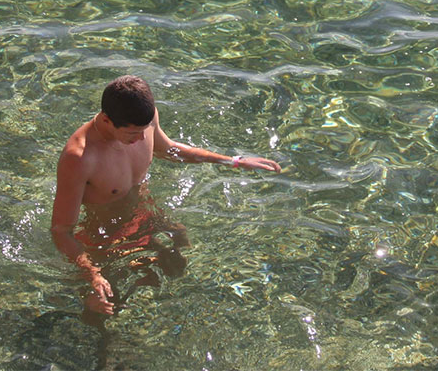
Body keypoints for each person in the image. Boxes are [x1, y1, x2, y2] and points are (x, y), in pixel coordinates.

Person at [50, 75, 281, 322]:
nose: (140, 140)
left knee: (179, 260)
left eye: (144, 131)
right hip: (106, 241)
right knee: (107, 310)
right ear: (107, 120)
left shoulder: (144, 121)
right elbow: (61, 230)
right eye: (132, 133)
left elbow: (169, 149)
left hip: (146, 217)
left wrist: (233, 161)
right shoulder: (80, 157)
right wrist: (92, 274)